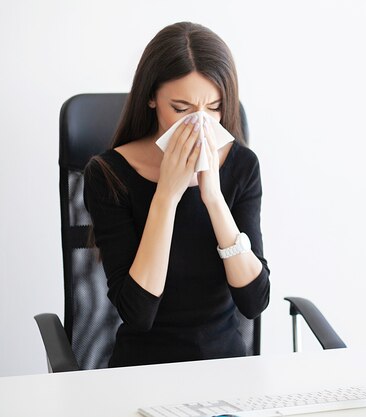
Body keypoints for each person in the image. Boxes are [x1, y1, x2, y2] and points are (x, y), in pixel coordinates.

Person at [83, 22, 270, 367]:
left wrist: (213, 198)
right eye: (181, 109)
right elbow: (138, 313)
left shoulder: (242, 165)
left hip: (225, 367)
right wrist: (167, 195)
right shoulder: (109, 174)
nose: (199, 125)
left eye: (214, 108)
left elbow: (254, 302)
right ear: (151, 98)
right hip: (144, 369)